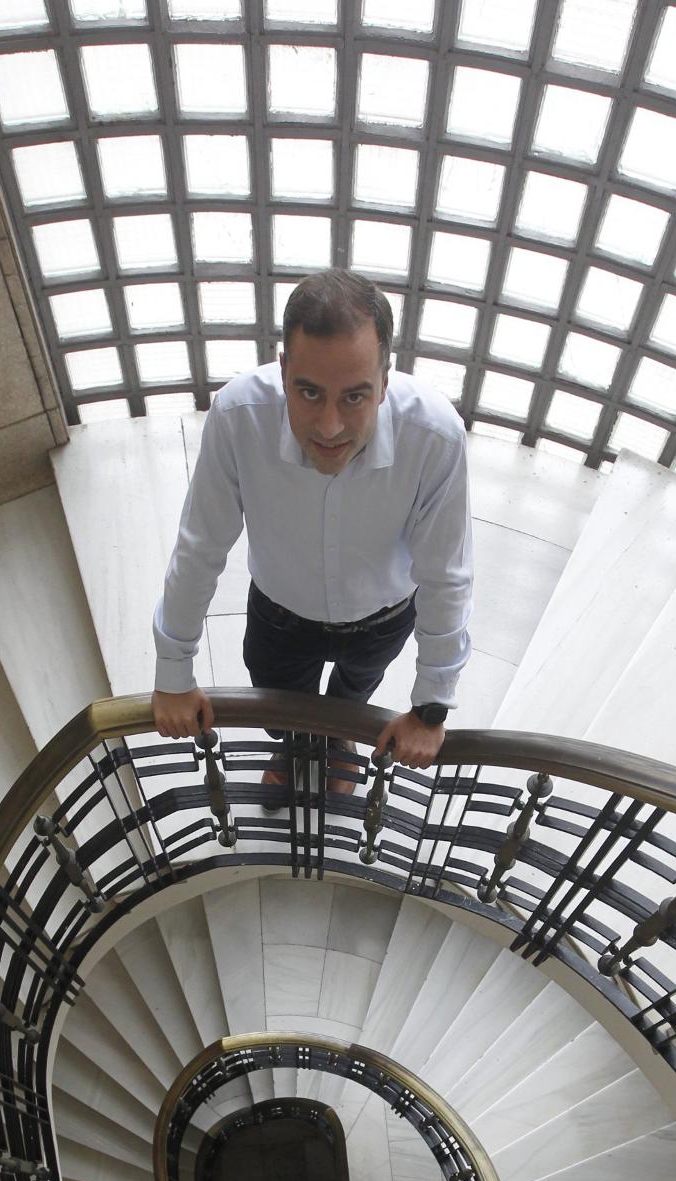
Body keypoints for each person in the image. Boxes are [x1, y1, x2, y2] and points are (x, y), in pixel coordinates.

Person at [150, 268, 473, 794]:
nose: (328, 426)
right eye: (309, 392)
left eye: (354, 397)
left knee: (354, 694)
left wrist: (430, 707)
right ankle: (293, 745)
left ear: (385, 380)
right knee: (279, 705)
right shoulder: (238, 418)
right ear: (282, 372)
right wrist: (173, 673)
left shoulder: (434, 438)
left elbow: (446, 576)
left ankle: (337, 743)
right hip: (279, 615)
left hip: (383, 617)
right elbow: (200, 548)